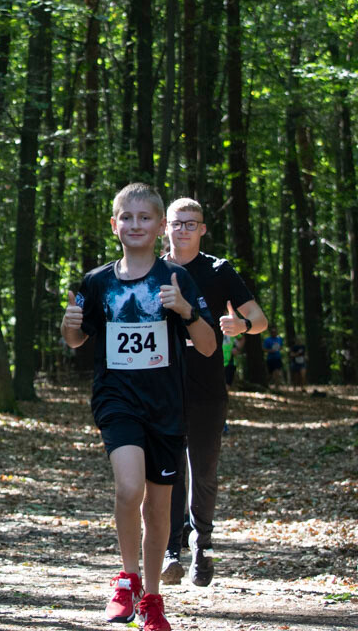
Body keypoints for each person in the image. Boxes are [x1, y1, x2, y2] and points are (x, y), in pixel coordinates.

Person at [62, 183, 216, 631]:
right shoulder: (97, 282)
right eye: (126, 218)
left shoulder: (175, 278)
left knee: (158, 509)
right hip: (117, 400)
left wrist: (187, 310)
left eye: (144, 218)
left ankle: (152, 598)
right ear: (115, 225)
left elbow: (207, 347)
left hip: (166, 406)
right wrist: (69, 325)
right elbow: (77, 339)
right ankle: (126, 581)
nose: (135, 225)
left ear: (159, 226)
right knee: (129, 489)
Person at [159, 197, 268, 590]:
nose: (183, 229)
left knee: (203, 471)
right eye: (177, 223)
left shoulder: (218, 270)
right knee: (168, 472)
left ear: (203, 229)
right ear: (164, 228)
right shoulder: (151, 270)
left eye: (192, 223)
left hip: (207, 389)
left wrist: (241, 326)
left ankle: (201, 546)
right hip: (161, 389)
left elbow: (259, 319)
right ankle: (170, 551)